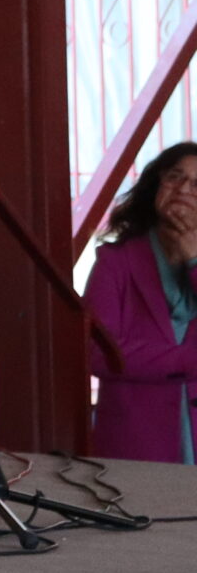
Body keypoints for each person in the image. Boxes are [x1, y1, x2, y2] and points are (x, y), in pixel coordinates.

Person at [85, 141, 197, 464]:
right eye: (174, 177)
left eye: (196, 184)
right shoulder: (114, 261)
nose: (183, 189)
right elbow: (98, 353)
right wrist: (187, 361)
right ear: (156, 186)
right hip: (136, 437)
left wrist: (194, 260)